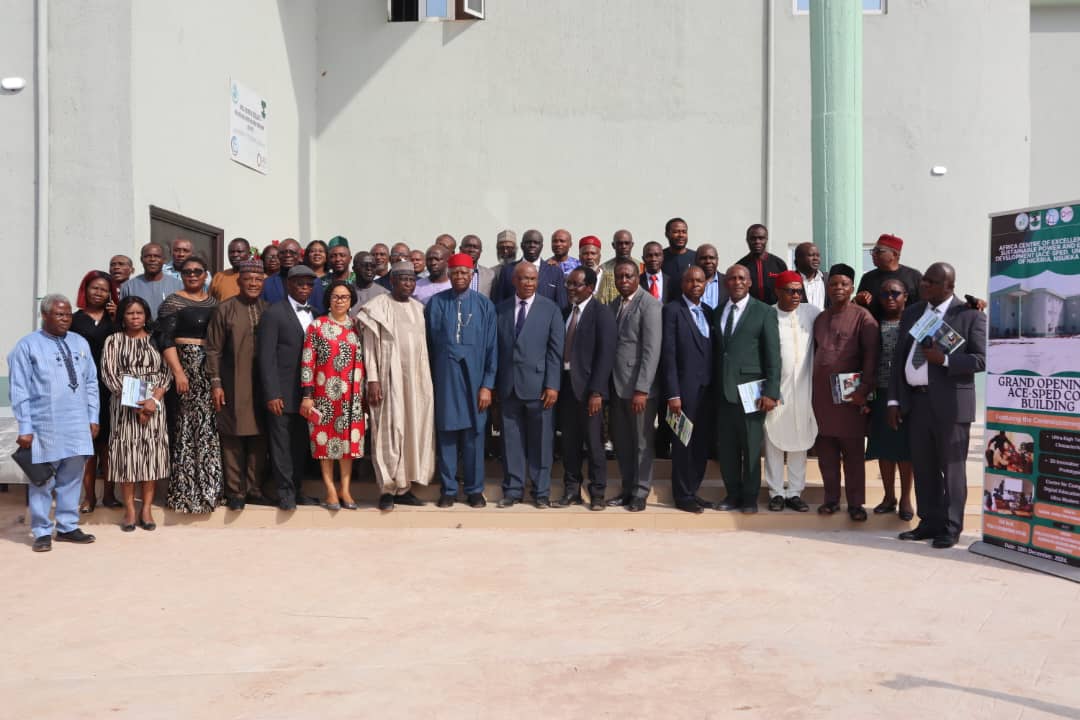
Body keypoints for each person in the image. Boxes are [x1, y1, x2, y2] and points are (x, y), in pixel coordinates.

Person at [890, 262, 986, 549]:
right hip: (917, 403)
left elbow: (982, 359)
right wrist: (894, 400)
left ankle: (951, 527)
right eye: (924, 281)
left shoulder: (968, 315)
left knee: (952, 469)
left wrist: (944, 360)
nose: (924, 285)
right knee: (924, 466)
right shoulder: (912, 313)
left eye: (931, 282)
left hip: (951, 405)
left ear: (949, 287)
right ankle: (928, 522)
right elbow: (899, 359)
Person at [9, 294, 100, 552]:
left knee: (72, 476)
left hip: (77, 423)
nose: (65, 319)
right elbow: (19, 389)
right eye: (60, 314)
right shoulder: (27, 346)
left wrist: (93, 416)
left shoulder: (79, 342)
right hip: (43, 425)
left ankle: (68, 526)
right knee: (42, 479)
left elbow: (91, 382)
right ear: (45, 315)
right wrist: (25, 427)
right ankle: (41, 531)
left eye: (68, 314)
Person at [355, 262, 437, 510]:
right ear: (392, 281)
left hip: (416, 381)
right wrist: (372, 380)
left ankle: (405, 487)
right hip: (388, 380)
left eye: (412, 280)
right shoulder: (377, 307)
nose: (409, 284)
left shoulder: (419, 308)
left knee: (413, 430)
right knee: (389, 431)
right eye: (403, 280)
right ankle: (387, 490)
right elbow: (369, 347)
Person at [425, 253, 498, 508]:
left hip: (475, 382)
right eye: (455, 273)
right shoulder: (436, 304)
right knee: (446, 436)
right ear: (449, 274)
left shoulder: (484, 306)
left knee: (474, 437)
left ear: (471, 275)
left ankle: (475, 490)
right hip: (445, 381)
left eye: (464, 273)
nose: (459, 277)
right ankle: (448, 489)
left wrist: (487, 385)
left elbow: (492, 348)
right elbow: (430, 346)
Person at [494, 262, 565, 508]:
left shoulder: (551, 309)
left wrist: (553, 385)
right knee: (511, 441)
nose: (528, 284)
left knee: (542, 442)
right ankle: (513, 490)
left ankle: (540, 491)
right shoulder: (501, 309)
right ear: (514, 281)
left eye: (533, 279)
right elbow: (496, 350)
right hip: (508, 386)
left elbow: (555, 352)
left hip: (540, 388)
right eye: (524, 279)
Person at [812, 264, 879, 521]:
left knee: (852, 454)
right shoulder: (820, 318)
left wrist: (864, 390)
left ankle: (856, 504)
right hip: (822, 397)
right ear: (827, 289)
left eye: (843, 284)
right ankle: (830, 500)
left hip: (852, 398)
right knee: (826, 453)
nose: (838, 288)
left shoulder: (863, 317)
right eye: (833, 284)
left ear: (852, 288)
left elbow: (871, 357)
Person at [712, 264, 781, 514]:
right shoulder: (718, 311)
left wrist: (772, 392)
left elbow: (773, 355)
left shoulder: (763, 312)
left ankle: (750, 498)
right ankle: (732, 494)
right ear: (725, 282)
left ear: (750, 282)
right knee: (728, 449)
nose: (737, 282)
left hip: (752, 393)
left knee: (751, 448)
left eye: (742, 278)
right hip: (722, 392)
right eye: (732, 278)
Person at [100, 296, 172, 531]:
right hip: (123, 404)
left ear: (146, 316)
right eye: (130, 313)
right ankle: (130, 510)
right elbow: (109, 374)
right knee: (126, 457)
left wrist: (153, 400)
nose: (135, 317)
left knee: (150, 455)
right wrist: (134, 404)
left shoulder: (155, 339)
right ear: (122, 316)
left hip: (154, 404)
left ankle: (147, 509)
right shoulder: (113, 340)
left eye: (139, 313)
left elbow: (166, 371)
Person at [205, 261, 272, 510]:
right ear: (239, 282)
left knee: (259, 435)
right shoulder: (225, 309)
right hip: (232, 381)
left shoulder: (268, 309)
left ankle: (254, 488)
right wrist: (216, 383)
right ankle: (235, 491)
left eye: (258, 279)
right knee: (232, 434)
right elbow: (213, 349)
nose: (253, 284)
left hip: (262, 383)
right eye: (248, 279)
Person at [159, 256, 222, 514]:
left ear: (205, 274)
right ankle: (186, 493)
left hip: (210, 368)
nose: (193, 275)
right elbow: (164, 338)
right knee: (186, 426)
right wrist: (178, 372)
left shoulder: (215, 304)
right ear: (181, 274)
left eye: (198, 271)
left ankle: (210, 490)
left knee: (208, 427)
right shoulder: (172, 302)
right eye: (187, 271)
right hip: (185, 368)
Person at [259, 265, 322, 510]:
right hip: (282, 393)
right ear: (289, 285)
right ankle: (284, 492)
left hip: (308, 394)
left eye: (309, 284)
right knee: (281, 446)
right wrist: (272, 393)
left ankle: (297, 490)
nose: (305, 288)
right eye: (300, 284)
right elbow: (266, 358)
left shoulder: (316, 314)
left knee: (299, 445)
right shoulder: (274, 313)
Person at [554, 267, 616, 510]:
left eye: (575, 284)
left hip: (591, 391)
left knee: (594, 443)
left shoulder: (602, 313)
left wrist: (597, 392)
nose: (570, 288)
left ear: (590, 287)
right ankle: (571, 490)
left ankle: (598, 492)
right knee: (569, 443)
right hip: (567, 387)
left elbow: (605, 355)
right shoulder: (565, 312)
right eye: (568, 284)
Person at [300, 280, 366, 511]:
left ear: (351, 301)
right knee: (325, 443)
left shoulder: (357, 327)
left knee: (348, 443)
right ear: (329, 299)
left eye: (345, 297)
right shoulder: (317, 326)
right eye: (336, 296)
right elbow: (307, 362)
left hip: (352, 396)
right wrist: (307, 395)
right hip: (323, 395)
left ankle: (345, 489)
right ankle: (330, 490)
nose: (340, 301)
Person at [606, 258, 662, 511]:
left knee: (641, 443)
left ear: (637, 276)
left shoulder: (649, 305)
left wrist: (643, 388)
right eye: (619, 277)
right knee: (622, 442)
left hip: (639, 389)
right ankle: (627, 489)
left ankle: (640, 492)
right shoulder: (613, 305)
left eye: (628, 276)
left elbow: (651, 350)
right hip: (616, 386)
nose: (624, 281)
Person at [762, 271, 819, 512]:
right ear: (778, 292)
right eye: (791, 291)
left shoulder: (811, 312)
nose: (796, 295)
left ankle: (795, 492)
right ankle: (775, 492)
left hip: (805, 388)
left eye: (799, 291)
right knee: (773, 440)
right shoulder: (767, 314)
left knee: (801, 440)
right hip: (777, 389)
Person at [661, 267, 714, 513]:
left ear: (706, 284)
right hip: (681, 394)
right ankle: (682, 495)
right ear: (682, 284)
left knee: (701, 443)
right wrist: (673, 394)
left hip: (706, 392)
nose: (695, 284)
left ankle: (693, 490)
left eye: (700, 281)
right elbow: (668, 354)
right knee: (683, 444)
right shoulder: (672, 310)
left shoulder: (709, 312)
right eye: (690, 280)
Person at [71, 270, 119, 512]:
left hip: (111, 388)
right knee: (88, 445)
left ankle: (109, 496)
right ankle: (89, 497)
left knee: (108, 446)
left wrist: (117, 318)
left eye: (104, 289)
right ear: (85, 290)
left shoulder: (115, 319)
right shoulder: (74, 320)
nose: (99, 293)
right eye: (94, 288)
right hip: (83, 389)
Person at [866, 278, 914, 521]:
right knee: (884, 448)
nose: (890, 298)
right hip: (880, 393)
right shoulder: (874, 323)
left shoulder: (915, 323)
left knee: (904, 450)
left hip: (907, 394)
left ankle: (906, 498)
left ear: (906, 295)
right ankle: (888, 496)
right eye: (884, 294)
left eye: (895, 293)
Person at [492, 229, 569, 310]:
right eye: (528, 242)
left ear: (542, 246)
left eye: (536, 243)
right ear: (521, 245)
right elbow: (499, 303)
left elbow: (562, 305)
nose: (532, 245)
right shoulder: (507, 270)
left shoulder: (555, 272)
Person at [855, 233, 922, 320]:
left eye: (878, 251)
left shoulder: (914, 276)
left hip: (906, 329)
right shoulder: (868, 278)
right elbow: (859, 309)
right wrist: (859, 299)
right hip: (875, 330)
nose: (873, 254)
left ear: (894, 254)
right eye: (873, 251)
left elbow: (923, 306)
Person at [119, 242, 183, 320]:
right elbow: (122, 316)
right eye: (148, 256)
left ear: (164, 260)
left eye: (157, 256)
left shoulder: (179, 285)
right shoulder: (128, 286)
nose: (152, 259)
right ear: (141, 259)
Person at [262, 238, 326, 313]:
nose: (288, 255)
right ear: (278, 256)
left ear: (300, 256)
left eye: (292, 252)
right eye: (283, 252)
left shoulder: (315, 282)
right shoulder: (267, 283)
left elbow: (320, 312)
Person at [737, 224, 787, 305]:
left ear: (766, 239)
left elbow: (786, 290)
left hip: (774, 312)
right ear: (747, 240)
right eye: (753, 238)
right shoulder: (740, 266)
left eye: (761, 238)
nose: (757, 242)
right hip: (750, 312)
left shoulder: (779, 264)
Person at [596, 229, 640, 305]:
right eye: (620, 243)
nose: (623, 246)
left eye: (627, 243)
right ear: (613, 245)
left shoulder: (641, 267)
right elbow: (600, 299)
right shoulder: (603, 269)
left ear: (632, 245)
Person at [209, 237, 253, 302]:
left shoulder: (259, 278)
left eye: (239, 251)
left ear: (249, 254)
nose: (235, 255)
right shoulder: (219, 277)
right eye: (231, 252)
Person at [794, 242, 827, 310]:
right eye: (811, 255)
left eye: (818, 255)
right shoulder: (791, 280)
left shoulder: (828, 279)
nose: (816, 258)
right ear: (799, 259)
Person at [696, 244, 726, 310]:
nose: (708, 261)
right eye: (703, 258)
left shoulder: (727, 282)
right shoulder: (689, 283)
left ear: (717, 260)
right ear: (696, 261)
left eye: (712, 258)